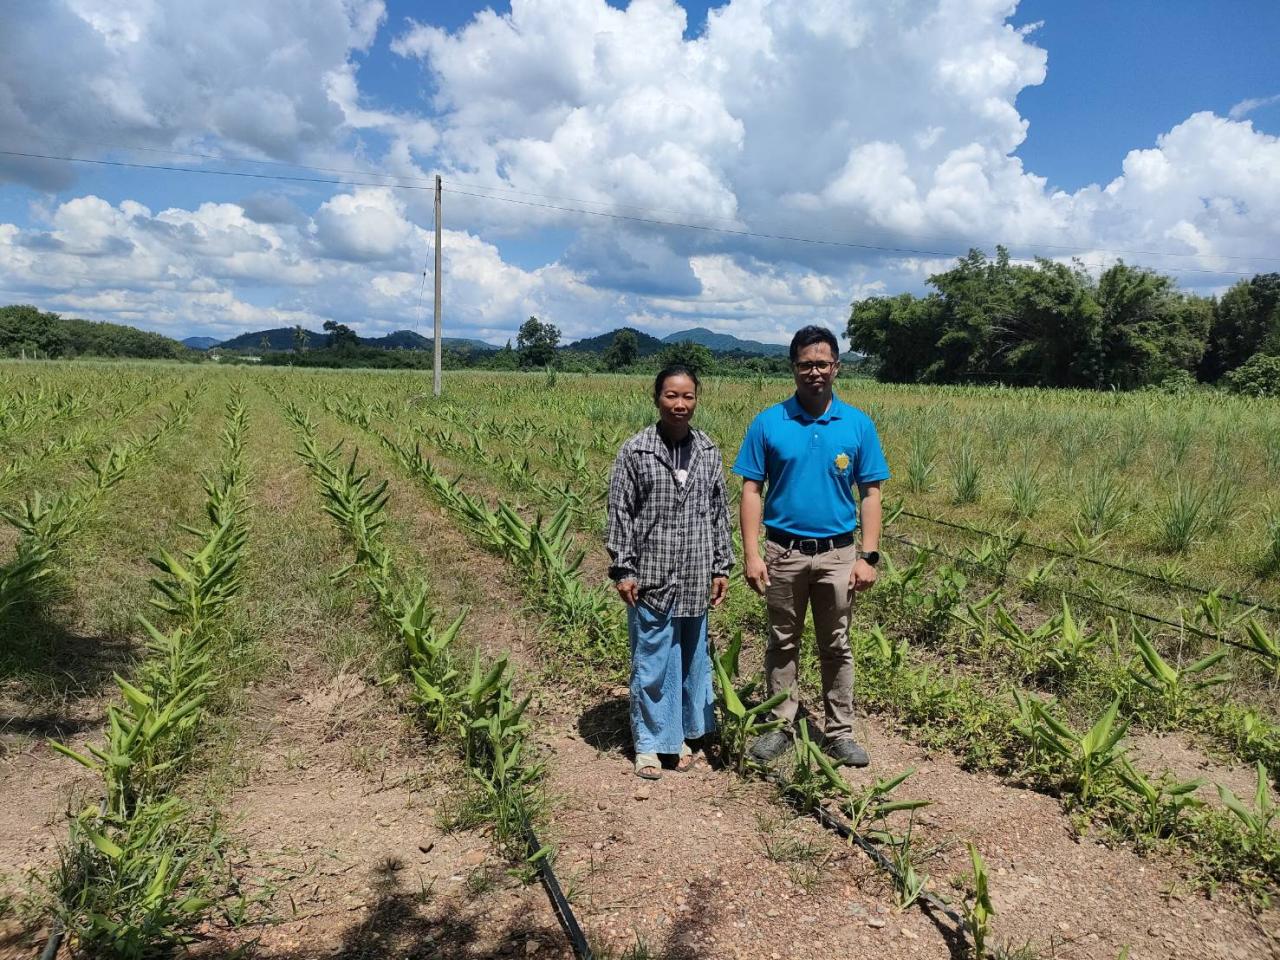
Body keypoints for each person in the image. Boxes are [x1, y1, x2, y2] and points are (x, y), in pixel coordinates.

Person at [732, 326, 889, 766]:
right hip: (784, 552)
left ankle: (839, 732)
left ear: (836, 367)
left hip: (839, 554)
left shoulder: (857, 424)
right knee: (782, 640)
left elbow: (871, 494)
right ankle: (780, 724)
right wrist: (751, 552)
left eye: (823, 363)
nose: (814, 371)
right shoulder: (769, 422)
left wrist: (868, 556)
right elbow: (751, 490)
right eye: (806, 364)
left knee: (836, 644)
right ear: (793, 367)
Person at [606, 365, 734, 779]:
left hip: (696, 571)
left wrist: (721, 566)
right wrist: (623, 567)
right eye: (671, 396)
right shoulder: (636, 451)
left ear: (698, 400)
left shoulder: (708, 451)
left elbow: (718, 514)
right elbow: (620, 513)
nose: (680, 405)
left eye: (688, 397)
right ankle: (649, 744)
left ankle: (682, 732)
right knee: (653, 660)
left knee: (692, 657)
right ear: (656, 398)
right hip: (651, 574)